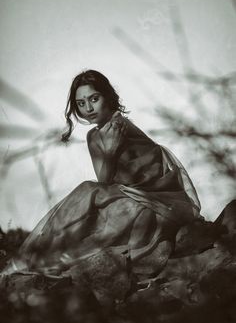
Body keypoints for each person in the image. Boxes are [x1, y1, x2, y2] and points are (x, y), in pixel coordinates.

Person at [3, 70, 202, 283]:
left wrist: (112, 150)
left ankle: (48, 260)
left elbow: (143, 173)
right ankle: (41, 259)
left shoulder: (120, 125)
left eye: (94, 99)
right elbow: (104, 179)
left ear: (107, 97)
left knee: (89, 196)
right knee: (87, 192)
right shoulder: (94, 135)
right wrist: (110, 151)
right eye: (81, 103)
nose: (88, 108)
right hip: (124, 195)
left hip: (154, 200)